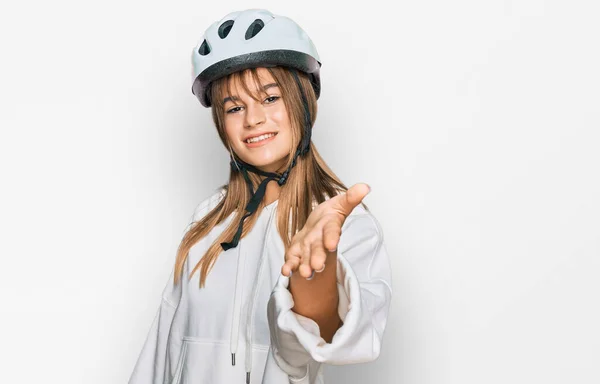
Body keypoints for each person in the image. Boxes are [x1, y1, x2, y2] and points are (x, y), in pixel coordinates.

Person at [128, 8, 392, 384]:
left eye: (270, 98)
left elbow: (333, 338)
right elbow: (163, 346)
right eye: (234, 107)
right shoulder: (208, 218)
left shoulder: (342, 221)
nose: (252, 119)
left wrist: (314, 271)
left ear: (302, 104)